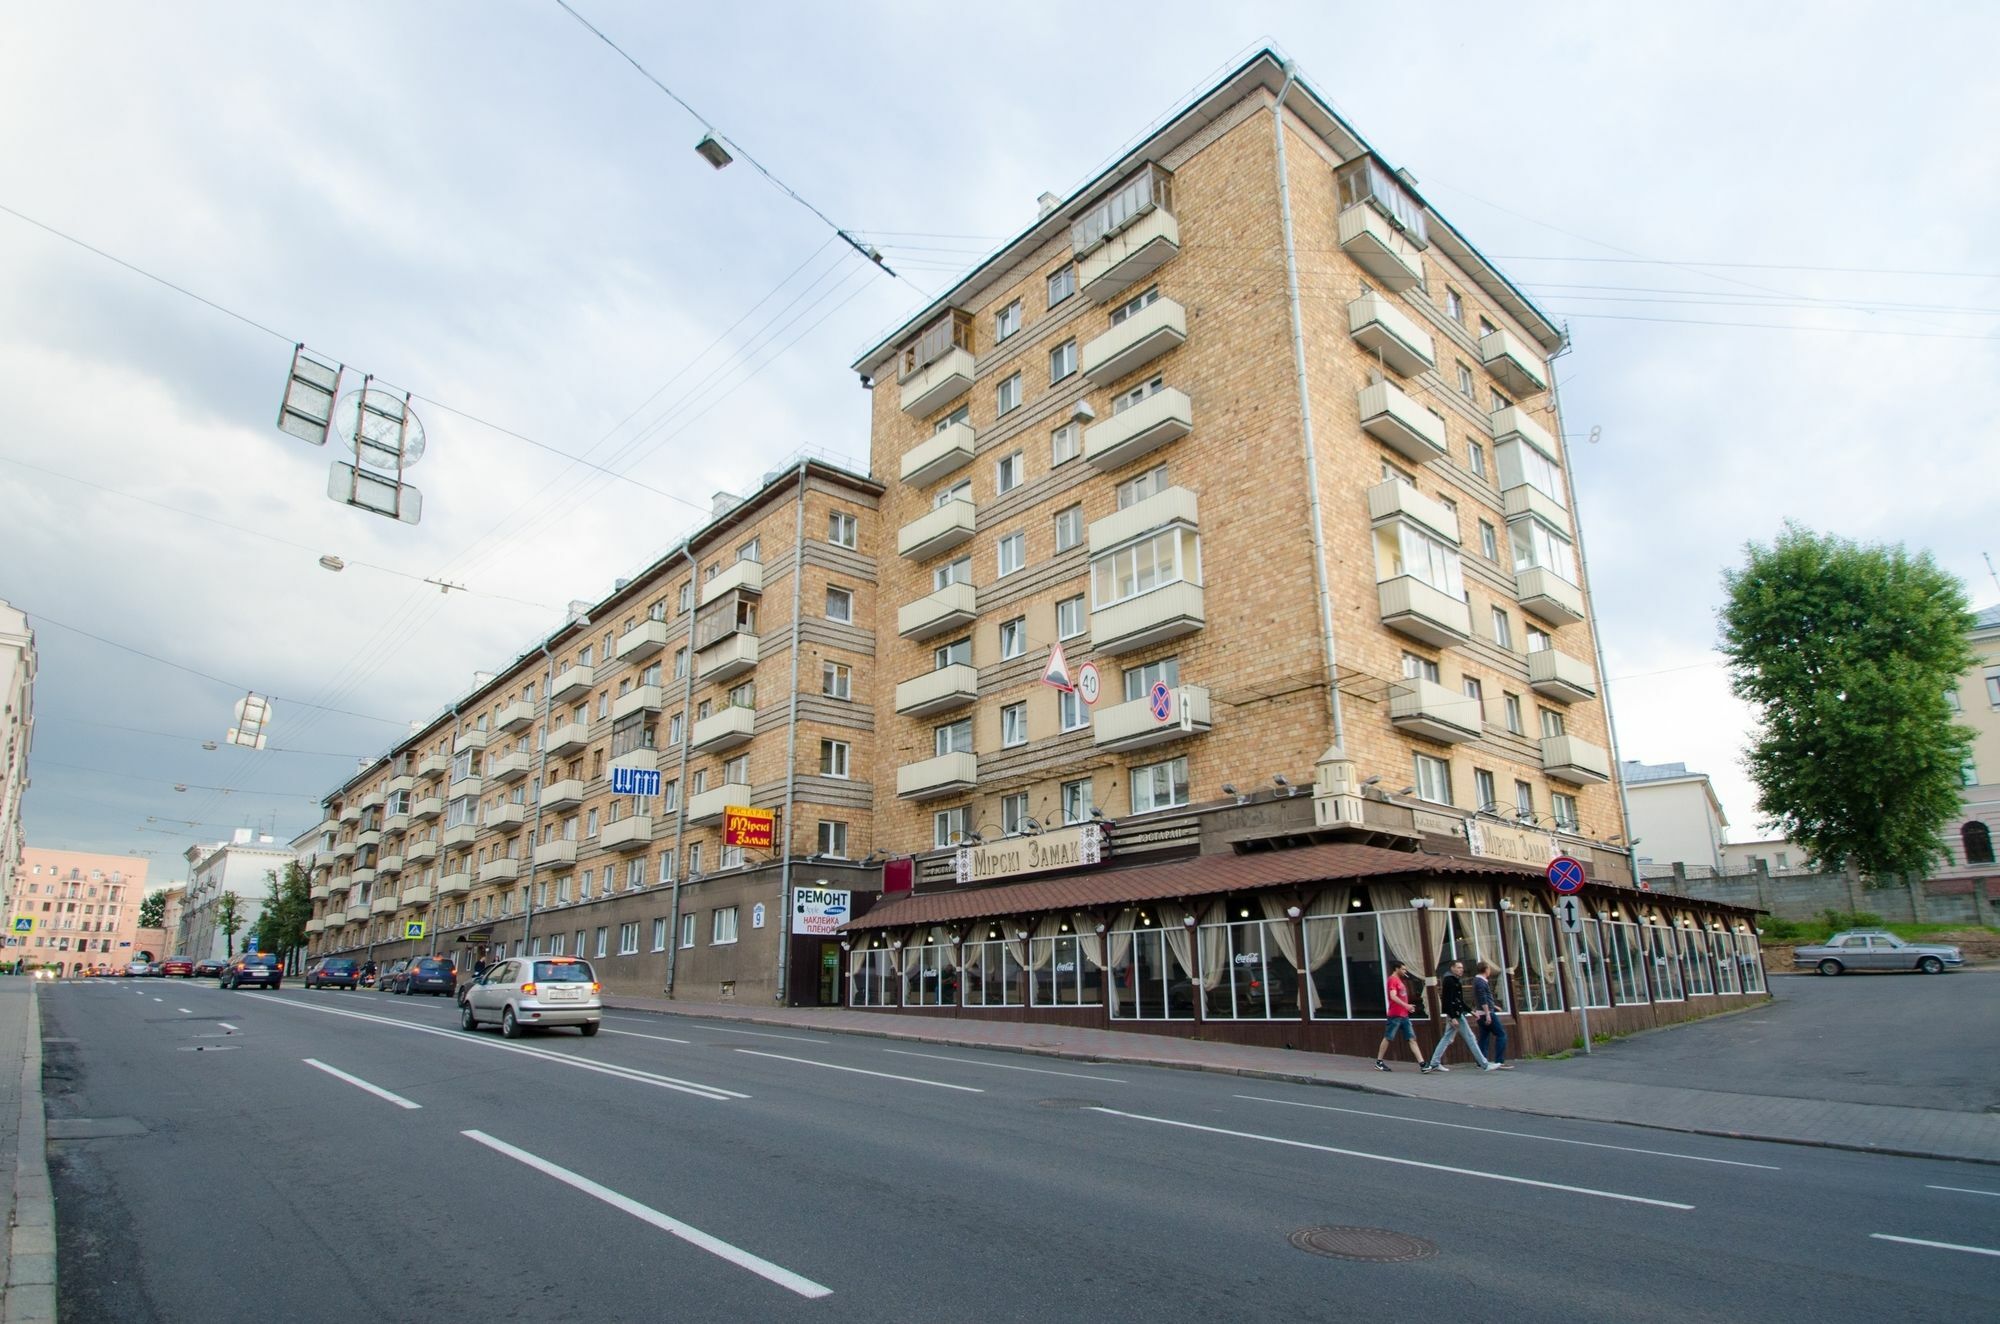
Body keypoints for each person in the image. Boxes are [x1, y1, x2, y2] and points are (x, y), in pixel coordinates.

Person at [1424, 958, 1496, 1073]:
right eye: (1458, 967)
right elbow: (1447, 1000)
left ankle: (1434, 1063)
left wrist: (1470, 1011)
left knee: (1447, 1038)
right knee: (1470, 1038)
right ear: (1452, 968)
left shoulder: (1455, 980)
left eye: (1462, 968)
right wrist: (1452, 1017)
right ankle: (1484, 1064)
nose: (1461, 970)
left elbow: (1458, 1000)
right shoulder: (1449, 980)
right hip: (1456, 1015)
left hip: (1456, 1013)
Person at [1374, 960, 1426, 1071]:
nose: (1404, 971)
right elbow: (1393, 996)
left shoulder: (1399, 980)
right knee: (1388, 1037)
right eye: (1403, 969)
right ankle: (1379, 1061)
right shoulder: (1393, 980)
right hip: (1395, 1014)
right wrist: (1406, 1005)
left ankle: (1422, 1064)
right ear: (1396, 969)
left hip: (1404, 1015)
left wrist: (1407, 1007)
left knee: (1411, 1038)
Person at [1472, 959, 1513, 1069]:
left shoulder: (1478, 981)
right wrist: (1488, 1013)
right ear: (1486, 969)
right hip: (1486, 1013)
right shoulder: (1481, 982)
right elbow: (1483, 999)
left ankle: (1481, 1061)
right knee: (1501, 1035)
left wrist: (1494, 1006)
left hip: (1481, 1013)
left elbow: (1482, 998)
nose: (1490, 970)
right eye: (1489, 968)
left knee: (1484, 1037)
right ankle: (1499, 1061)